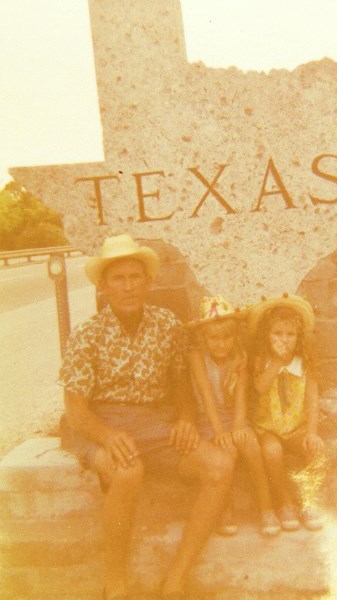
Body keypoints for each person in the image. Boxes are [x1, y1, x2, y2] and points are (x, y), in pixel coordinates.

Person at [58, 234, 234, 600]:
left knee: (218, 466)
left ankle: (175, 581)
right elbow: (76, 412)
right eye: (118, 279)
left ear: (148, 281)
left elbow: (181, 383)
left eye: (135, 277)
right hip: (100, 423)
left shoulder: (166, 324)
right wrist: (107, 436)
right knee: (127, 471)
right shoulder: (86, 335)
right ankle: (116, 586)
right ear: (104, 286)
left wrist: (185, 418)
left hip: (154, 424)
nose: (128, 286)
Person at [188, 295, 280, 537]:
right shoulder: (197, 358)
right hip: (209, 421)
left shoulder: (239, 358)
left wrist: (239, 425)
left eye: (227, 338)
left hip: (233, 416)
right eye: (214, 338)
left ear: (235, 337)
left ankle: (266, 507)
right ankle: (225, 508)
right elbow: (206, 395)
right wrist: (219, 432)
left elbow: (241, 396)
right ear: (203, 338)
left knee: (249, 444)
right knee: (225, 450)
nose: (221, 344)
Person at [248, 293, 325, 531]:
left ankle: (309, 502)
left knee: (314, 449)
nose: (284, 339)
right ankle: (285, 502)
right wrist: (277, 362)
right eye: (278, 333)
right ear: (267, 336)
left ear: (299, 336)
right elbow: (260, 388)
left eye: (290, 334)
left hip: (296, 427)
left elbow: (312, 400)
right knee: (271, 451)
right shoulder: (262, 360)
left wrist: (311, 432)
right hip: (268, 428)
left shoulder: (305, 362)